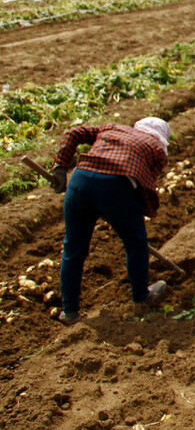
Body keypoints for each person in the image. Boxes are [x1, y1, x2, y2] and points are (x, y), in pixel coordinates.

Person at [51, 118, 172, 324]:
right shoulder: (157, 150)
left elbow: (74, 132)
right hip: (115, 186)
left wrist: (60, 166)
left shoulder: (113, 128)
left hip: (79, 180)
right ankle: (141, 296)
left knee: (73, 248)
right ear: (161, 138)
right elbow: (146, 189)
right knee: (136, 244)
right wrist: (128, 214)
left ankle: (69, 311)